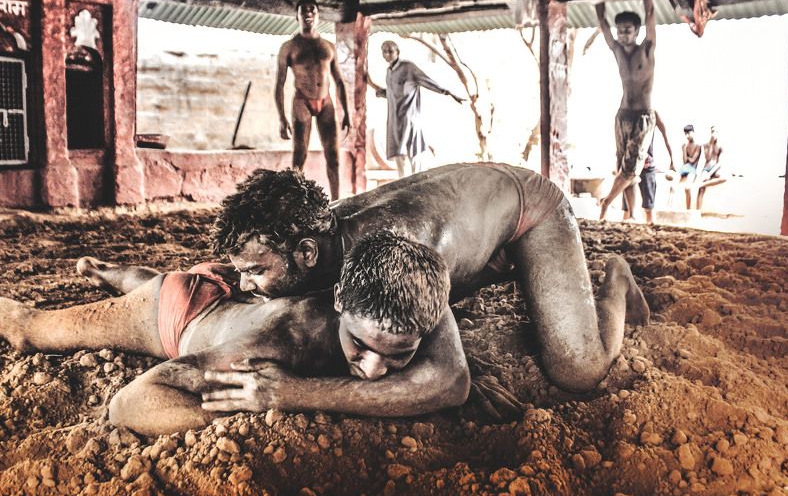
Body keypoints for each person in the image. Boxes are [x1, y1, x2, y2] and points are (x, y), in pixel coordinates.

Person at [0, 231, 469, 437]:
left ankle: (108, 270)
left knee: (165, 278)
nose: (370, 370)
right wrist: (261, 410)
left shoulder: (403, 294)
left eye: (398, 357)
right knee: (34, 331)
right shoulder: (273, 346)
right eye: (359, 347)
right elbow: (131, 404)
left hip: (223, 294)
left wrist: (408, 370)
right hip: (172, 317)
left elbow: (447, 379)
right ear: (339, 303)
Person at [207, 165, 651, 413]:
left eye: (253, 272)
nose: (245, 283)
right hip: (473, 208)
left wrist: (290, 393)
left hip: (530, 210)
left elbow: (448, 379)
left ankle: (616, 279)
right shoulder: (309, 229)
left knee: (579, 368)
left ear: (306, 254)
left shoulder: (398, 250)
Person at [274, 0, 350, 200]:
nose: (308, 13)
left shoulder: (328, 46)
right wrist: (282, 119)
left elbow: (340, 82)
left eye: (312, 10)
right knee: (299, 156)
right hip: (302, 101)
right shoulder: (289, 47)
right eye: (304, 10)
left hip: (325, 101)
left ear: (318, 16)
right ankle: (295, 200)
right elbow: (279, 85)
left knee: (333, 157)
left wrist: (347, 114)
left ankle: (336, 201)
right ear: (297, 15)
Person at [595, 0, 657, 221]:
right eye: (620, 30)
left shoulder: (647, 49)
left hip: (642, 116)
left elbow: (650, 17)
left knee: (631, 170)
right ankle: (630, 214)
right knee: (623, 168)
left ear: (637, 31)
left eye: (628, 30)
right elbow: (602, 22)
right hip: (622, 116)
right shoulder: (618, 51)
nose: (622, 35)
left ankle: (606, 202)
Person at [369, 40, 465, 178]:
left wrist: (447, 92)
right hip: (395, 121)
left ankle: (418, 187)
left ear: (398, 52)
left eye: (390, 51)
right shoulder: (389, 72)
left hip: (410, 119)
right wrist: (373, 85)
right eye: (384, 51)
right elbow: (393, 95)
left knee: (415, 155)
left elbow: (428, 81)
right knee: (399, 157)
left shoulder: (408, 68)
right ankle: (402, 190)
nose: (387, 54)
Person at [622, 110, 673, 223]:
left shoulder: (652, 112)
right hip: (630, 165)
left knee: (649, 207)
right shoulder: (628, 111)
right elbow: (622, 139)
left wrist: (672, 160)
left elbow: (666, 136)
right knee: (627, 209)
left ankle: (651, 229)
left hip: (646, 164)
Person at [691, 125, 727, 210]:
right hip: (706, 169)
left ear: (718, 133)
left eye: (715, 132)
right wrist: (699, 174)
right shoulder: (706, 146)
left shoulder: (720, 146)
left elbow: (719, 163)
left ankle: (702, 183)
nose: (713, 134)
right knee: (701, 189)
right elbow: (703, 160)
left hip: (715, 170)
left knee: (724, 177)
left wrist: (710, 173)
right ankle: (697, 211)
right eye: (712, 132)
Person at [678, 124, 702, 210]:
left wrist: (687, 156)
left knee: (687, 188)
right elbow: (685, 161)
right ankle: (668, 208)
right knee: (672, 186)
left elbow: (692, 160)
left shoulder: (698, 146)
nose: (687, 135)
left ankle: (688, 209)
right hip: (684, 169)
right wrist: (684, 150)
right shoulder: (685, 146)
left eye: (689, 133)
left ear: (693, 132)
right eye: (685, 134)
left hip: (692, 169)